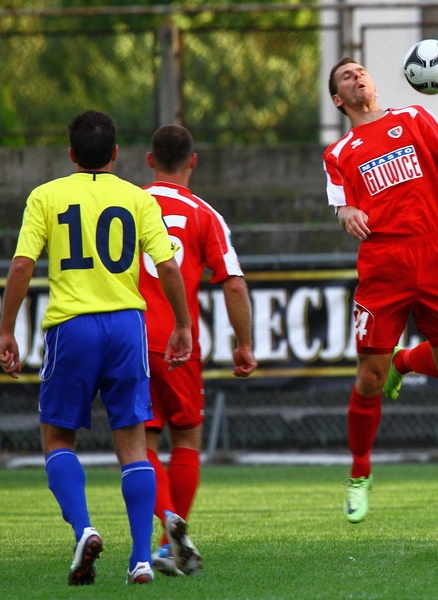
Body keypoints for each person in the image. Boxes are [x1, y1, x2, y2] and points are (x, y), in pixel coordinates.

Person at [0, 110, 193, 585]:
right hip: (128, 327)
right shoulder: (136, 198)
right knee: (132, 442)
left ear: (70, 154)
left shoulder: (46, 196)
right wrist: (183, 324)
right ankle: (142, 557)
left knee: (58, 438)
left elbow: (22, 265)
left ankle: (84, 529)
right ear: (116, 153)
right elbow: (167, 267)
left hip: (72, 328)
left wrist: (6, 331)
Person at [322, 57, 438, 524]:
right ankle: (360, 473)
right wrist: (349, 216)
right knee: (368, 378)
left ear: (373, 83)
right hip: (383, 260)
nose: (358, 76)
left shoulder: (415, 118)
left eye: (361, 70)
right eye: (346, 76)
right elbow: (341, 206)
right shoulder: (339, 151)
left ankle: (404, 362)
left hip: (435, 250)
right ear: (339, 99)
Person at [139, 124, 258, 576]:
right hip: (180, 340)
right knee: (185, 438)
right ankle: (171, 543)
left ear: (149, 160)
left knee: (139, 441)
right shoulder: (204, 214)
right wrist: (243, 344)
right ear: (193, 161)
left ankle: (167, 522)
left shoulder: (128, 204)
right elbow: (232, 283)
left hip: (127, 338)